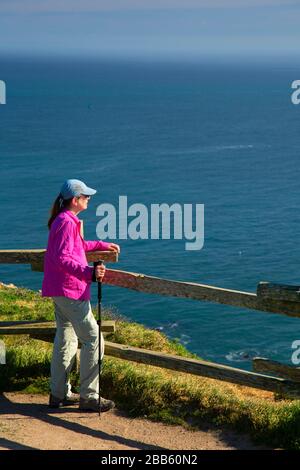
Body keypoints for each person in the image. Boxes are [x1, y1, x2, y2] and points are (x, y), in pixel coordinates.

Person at [42, 179, 120, 412]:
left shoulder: (64, 220)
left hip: (59, 290)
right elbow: (63, 258)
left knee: (66, 340)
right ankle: (89, 396)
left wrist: (101, 244)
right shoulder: (66, 222)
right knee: (94, 339)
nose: (89, 199)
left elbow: (77, 246)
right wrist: (89, 272)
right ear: (75, 200)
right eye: (86, 196)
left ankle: (59, 394)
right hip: (70, 290)